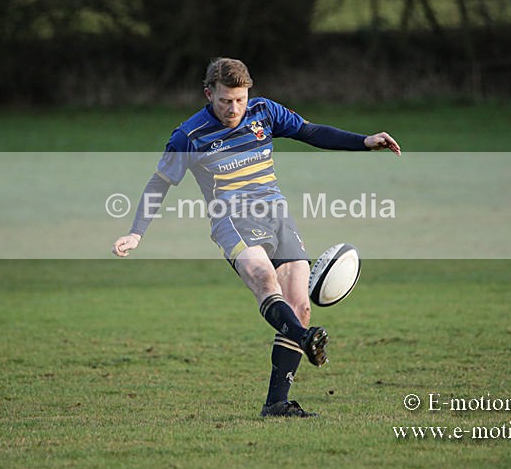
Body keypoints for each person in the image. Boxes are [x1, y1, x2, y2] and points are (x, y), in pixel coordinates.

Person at [113, 57, 400, 417]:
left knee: (300, 306)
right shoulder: (189, 135)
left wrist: (364, 141)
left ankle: (277, 403)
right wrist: (136, 233)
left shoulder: (265, 112)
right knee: (266, 281)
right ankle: (305, 339)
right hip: (231, 220)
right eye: (225, 101)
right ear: (208, 94)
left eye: (240, 100)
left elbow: (310, 132)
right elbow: (159, 184)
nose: (234, 108)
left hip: (276, 214)